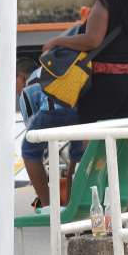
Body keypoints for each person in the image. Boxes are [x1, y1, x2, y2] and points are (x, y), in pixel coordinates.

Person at [42, 0, 128, 130]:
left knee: (94, 147)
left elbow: (92, 40)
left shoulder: (103, 5)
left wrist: (56, 41)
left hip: (102, 84)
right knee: (115, 145)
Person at [16, 58, 84, 210]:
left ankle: (48, 206)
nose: (15, 91)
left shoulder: (28, 86)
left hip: (53, 108)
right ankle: (70, 205)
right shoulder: (52, 69)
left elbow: (33, 134)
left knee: (29, 151)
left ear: (21, 77)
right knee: (77, 154)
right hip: (80, 108)